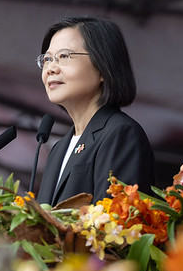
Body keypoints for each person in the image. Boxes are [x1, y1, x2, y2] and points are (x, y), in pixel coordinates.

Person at [35, 15, 155, 206]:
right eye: (47, 59)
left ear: (102, 67)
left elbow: (114, 224)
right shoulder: (59, 148)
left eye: (64, 56)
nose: (51, 68)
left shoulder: (120, 133)